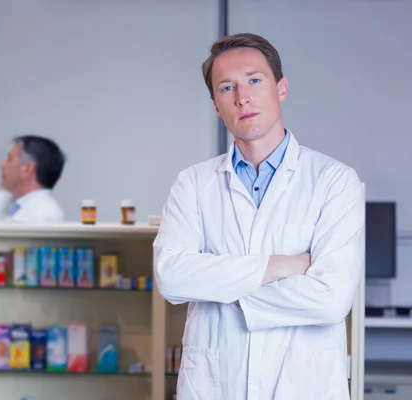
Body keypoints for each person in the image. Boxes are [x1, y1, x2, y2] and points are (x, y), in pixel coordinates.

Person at [153, 33, 364, 400]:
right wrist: (281, 266)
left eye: (254, 80)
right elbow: (171, 278)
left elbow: (330, 299)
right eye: (226, 87)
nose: (242, 97)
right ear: (217, 106)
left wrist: (223, 290)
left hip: (303, 387)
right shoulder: (193, 183)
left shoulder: (335, 181)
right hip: (215, 386)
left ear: (281, 88)